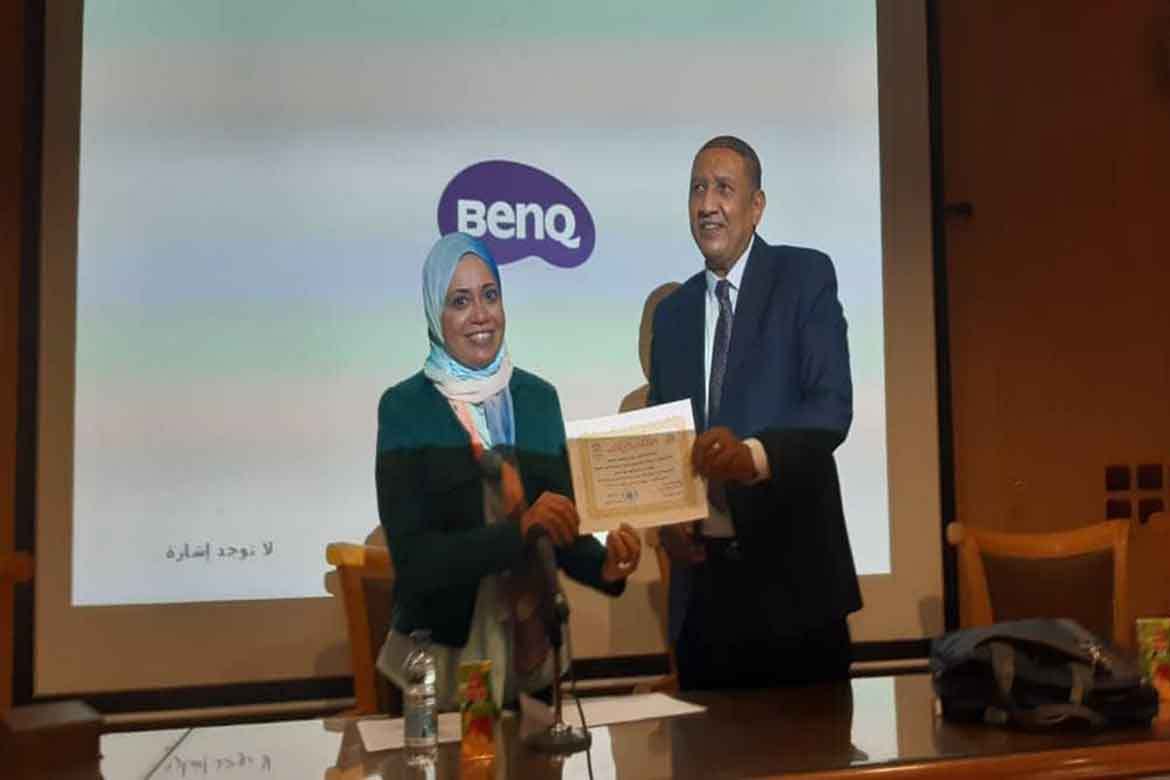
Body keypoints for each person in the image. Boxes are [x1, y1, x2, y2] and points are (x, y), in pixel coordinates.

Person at [375, 232, 642, 709]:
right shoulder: (404, 408)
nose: (480, 314)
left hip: (533, 662)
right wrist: (519, 531)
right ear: (435, 313)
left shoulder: (539, 400)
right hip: (442, 667)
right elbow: (415, 562)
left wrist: (605, 566)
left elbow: (560, 526)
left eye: (490, 295)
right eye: (460, 301)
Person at [648, 136, 862, 690]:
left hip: (795, 597)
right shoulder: (671, 315)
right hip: (703, 606)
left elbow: (831, 406)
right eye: (697, 189)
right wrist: (666, 520)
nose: (707, 204)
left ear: (757, 205)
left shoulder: (804, 277)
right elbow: (662, 439)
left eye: (724, 188)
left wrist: (752, 458)